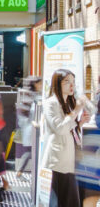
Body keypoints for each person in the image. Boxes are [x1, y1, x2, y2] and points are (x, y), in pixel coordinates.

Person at [41, 69, 95, 207]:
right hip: (60, 159)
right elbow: (60, 128)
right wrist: (76, 110)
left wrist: (79, 123)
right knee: (62, 197)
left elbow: (69, 128)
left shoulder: (69, 103)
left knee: (72, 197)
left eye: (73, 82)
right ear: (57, 84)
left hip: (72, 157)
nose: (72, 86)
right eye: (67, 82)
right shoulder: (50, 103)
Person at [15, 75, 42, 177]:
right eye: (39, 83)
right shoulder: (30, 95)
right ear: (35, 84)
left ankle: (21, 171)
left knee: (30, 150)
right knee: (31, 150)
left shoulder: (32, 94)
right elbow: (25, 112)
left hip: (31, 127)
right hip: (31, 127)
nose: (41, 85)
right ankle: (21, 171)